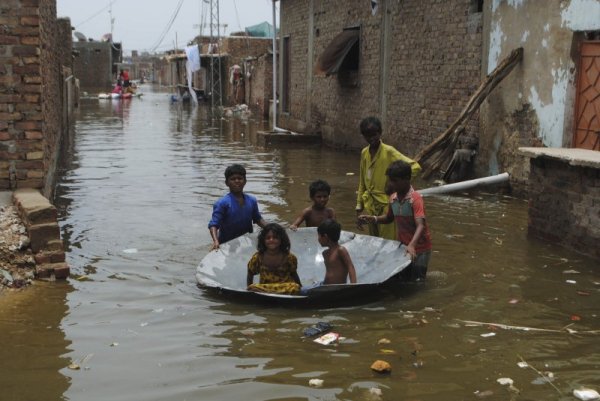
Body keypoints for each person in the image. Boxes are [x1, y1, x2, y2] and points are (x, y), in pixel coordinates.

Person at [359, 160, 432, 281]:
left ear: (407, 179)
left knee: (418, 280)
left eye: (395, 181)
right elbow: (389, 218)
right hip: (403, 246)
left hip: (420, 248)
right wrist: (373, 218)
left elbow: (421, 225)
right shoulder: (393, 198)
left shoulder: (415, 199)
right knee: (403, 278)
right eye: (390, 180)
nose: (391, 184)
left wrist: (412, 245)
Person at [355, 116, 421, 240]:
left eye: (374, 135)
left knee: (387, 241)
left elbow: (415, 167)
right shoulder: (364, 153)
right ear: (363, 136)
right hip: (370, 204)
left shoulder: (389, 151)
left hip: (387, 204)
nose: (372, 138)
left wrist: (398, 186)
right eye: (368, 136)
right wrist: (359, 206)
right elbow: (362, 182)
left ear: (380, 133)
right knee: (373, 240)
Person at [208, 164, 266, 250]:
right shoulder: (222, 203)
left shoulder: (252, 200)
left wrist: (273, 229)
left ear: (245, 181)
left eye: (240, 178)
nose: (237, 181)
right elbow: (213, 225)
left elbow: (258, 219)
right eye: (233, 179)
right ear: (227, 183)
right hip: (226, 244)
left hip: (247, 241)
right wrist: (215, 241)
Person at [247, 223, 302, 294]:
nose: (271, 240)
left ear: (281, 239)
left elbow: (294, 273)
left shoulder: (289, 257)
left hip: (284, 288)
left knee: (295, 287)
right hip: (265, 288)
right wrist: (248, 289)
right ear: (263, 240)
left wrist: (300, 287)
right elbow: (250, 272)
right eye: (268, 238)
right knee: (252, 287)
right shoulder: (258, 257)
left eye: (275, 237)